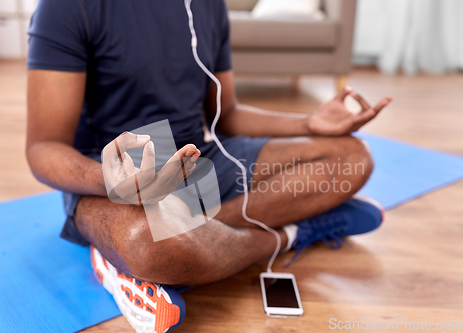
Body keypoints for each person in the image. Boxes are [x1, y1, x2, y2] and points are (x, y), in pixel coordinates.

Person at [26, 0, 392, 332]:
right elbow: (43, 147)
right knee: (149, 242)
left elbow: (225, 115)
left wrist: (308, 124)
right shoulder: (67, 7)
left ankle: (187, 246)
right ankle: (292, 231)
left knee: (352, 159)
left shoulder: (207, 4)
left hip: (197, 159)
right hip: (108, 179)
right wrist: (110, 180)